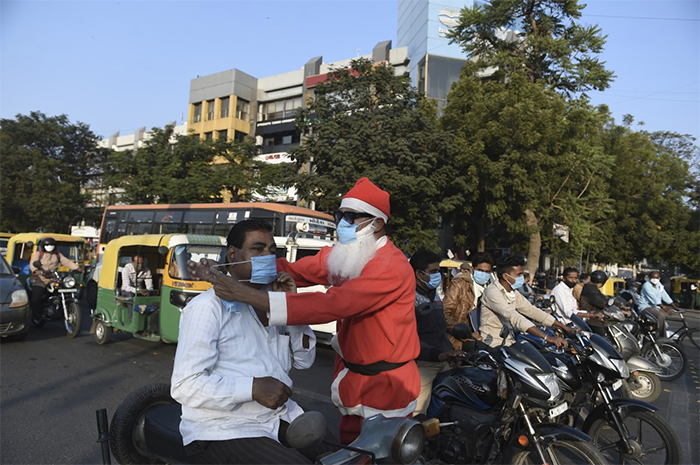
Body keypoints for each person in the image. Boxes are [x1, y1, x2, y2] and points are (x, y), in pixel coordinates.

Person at [187, 177, 420, 445]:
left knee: (378, 453)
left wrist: (243, 293)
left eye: (351, 217)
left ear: (377, 223)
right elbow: (295, 270)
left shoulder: (390, 267)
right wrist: (227, 271)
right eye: (340, 215)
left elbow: (332, 305)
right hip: (353, 379)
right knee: (349, 449)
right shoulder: (350, 254)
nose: (342, 222)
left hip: (387, 385)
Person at [171, 220, 333, 464]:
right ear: (233, 254)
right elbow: (184, 385)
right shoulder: (207, 308)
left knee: (342, 455)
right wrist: (252, 388)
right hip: (225, 429)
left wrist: (290, 306)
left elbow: (304, 361)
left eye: (272, 251)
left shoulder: (273, 300)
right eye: (258, 249)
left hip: (279, 417)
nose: (267, 256)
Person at [409, 250, 465, 416]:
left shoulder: (434, 295)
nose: (438, 275)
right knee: (418, 413)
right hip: (424, 363)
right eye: (433, 272)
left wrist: (451, 354)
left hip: (444, 359)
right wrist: (437, 354)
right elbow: (409, 337)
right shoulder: (409, 298)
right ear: (419, 273)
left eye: (438, 271)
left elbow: (439, 329)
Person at [479, 255, 571, 348]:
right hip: (493, 344)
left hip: (510, 341)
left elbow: (532, 311)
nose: (521, 277)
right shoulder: (492, 292)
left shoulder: (512, 292)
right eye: (519, 274)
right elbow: (514, 317)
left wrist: (565, 327)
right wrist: (547, 337)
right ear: (505, 276)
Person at [443, 252, 493, 350]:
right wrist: (467, 335)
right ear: (472, 270)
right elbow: (445, 314)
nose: (484, 274)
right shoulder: (459, 285)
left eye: (487, 272)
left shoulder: (491, 288)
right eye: (480, 270)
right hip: (459, 339)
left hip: (484, 335)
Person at [29, 237, 80, 320]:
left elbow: (66, 261)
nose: (50, 246)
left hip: (54, 278)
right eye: (47, 245)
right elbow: (33, 263)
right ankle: (33, 316)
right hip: (41, 279)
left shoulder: (57, 254)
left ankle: (59, 308)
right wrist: (36, 270)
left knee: (62, 290)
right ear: (43, 246)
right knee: (36, 298)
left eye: (52, 245)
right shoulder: (39, 253)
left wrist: (76, 268)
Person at [578, 270, 610, 336]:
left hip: (594, 317)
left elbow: (603, 297)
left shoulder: (591, 288)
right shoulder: (591, 290)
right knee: (604, 335)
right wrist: (609, 303)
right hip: (592, 320)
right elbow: (602, 303)